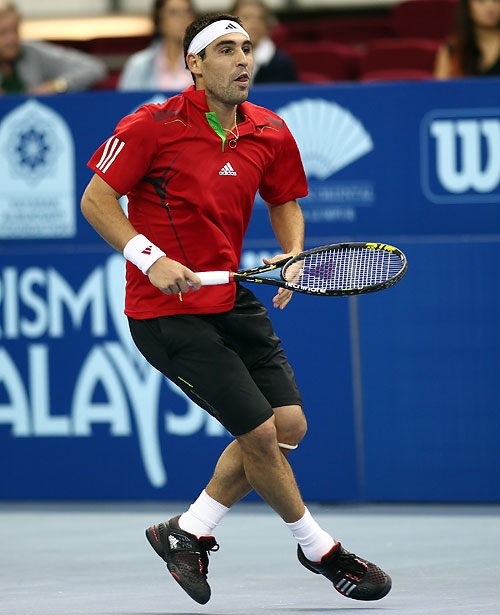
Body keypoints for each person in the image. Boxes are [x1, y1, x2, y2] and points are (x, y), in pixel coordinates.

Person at [81, 12, 391, 606]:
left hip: (228, 296)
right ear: (194, 64)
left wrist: (293, 254)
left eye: (246, 48)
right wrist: (151, 259)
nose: (242, 59)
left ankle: (188, 530)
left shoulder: (271, 129)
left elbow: (285, 200)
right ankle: (321, 550)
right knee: (259, 434)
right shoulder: (150, 125)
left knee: (289, 425)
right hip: (164, 310)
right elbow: (97, 200)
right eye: (225, 49)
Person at [0, 1, 106, 95]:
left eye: (15, 29)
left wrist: (57, 85)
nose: (12, 38)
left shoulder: (33, 53)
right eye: (3, 33)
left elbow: (93, 67)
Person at [117, 0, 196, 92]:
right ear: (159, 21)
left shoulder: (201, 63)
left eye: (187, 12)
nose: (183, 19)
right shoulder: (139, 65)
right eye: (174, 12)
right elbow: (126, 100)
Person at [230, 0, 298, 84]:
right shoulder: (220, 59)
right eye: (246, 17)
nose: (254, 24)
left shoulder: (282, 64)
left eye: (260, 18)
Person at [434, 0, 500, 78]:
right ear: (467, 5)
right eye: (481, 1)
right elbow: (441, 85)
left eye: (496, 0)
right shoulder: (453, 50)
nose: (490, 7)